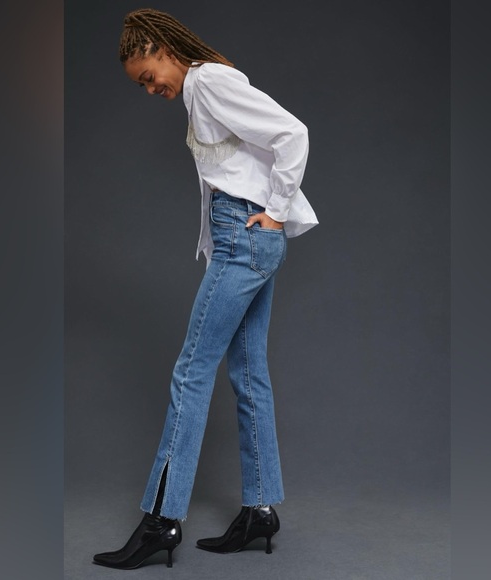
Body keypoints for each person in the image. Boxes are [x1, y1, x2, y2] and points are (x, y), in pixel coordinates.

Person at [92, 8, 318, 570]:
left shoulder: (210, 82)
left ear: (165, 50)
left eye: (149, 76)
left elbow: (292, 133)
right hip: (244, 242)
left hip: (245, 238)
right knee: (249, 373)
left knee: (191, 374)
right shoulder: (201, 89)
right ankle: (259, 511)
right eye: (142, 85)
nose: (151, 89)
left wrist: (276, 210)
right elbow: (236, 170)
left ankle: (161, 521)